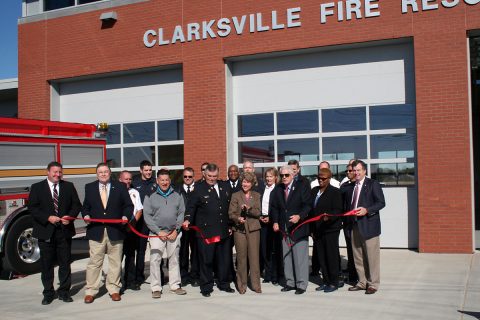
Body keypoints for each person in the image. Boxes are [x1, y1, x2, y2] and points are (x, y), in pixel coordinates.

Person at [28, 161, 82, 305]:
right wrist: (48, 218)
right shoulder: (37, 188)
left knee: (65, 263)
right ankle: (48, 293)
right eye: (55, 172)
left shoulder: (68, 187)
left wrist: (69, 217)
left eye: (60, 172)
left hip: (64, 232)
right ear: (48, 172)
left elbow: (76, 205)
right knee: (46, 265)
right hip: (45, 231)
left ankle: (64, 292)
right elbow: (32, 208)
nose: (58, 175)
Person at [82, 163, 133, 303]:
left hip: (115, 231)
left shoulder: (120, 186)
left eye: (106, 172)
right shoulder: (90, 187)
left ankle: (114, 289)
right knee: (94, 263)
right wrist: (85, 215)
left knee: (115, 262)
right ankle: (91, 290)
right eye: (100, 172)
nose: (103, 174)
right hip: (96, 231)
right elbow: (85, 206)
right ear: (96, 174)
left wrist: (126, 216)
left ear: (110, 173)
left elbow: (128, 205)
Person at [182, 163, 235, 297]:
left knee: (224, 260)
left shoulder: (225, 186)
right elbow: (191, 207)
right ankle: (206, 286)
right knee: (206, 260)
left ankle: (224, 284)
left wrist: (231, 225)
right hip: (206, 232)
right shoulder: (198, 189)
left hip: (223, 230)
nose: (212, 179)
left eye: (215, 176)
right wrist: (187, 219)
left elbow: (229, 207)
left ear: (218, 175)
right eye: (210, 176)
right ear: (205, 175)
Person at [143, 169, 187, 298]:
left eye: (166, 180)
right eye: (162, 180)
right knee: (155, 260)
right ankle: (156, 287)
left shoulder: (177, 194)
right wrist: (158, 231)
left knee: (174, 260)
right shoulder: (150, 195)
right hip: (157, 234)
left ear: (170, 181)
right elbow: (147, 216)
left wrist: (176, 230)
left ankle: (175, 285)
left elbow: (181, 213)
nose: (164, 182)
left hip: (173, 233)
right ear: (157, 181)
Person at [270, 165, 312, 295]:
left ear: (293, 175)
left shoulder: (302, 186)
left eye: (286, 175)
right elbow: (274, 207)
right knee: (287, 258)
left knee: (300, 259)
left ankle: (301, 284)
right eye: (282, 175)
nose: (284, 178)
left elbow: (307, 205)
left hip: (299, 228)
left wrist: (299, 216)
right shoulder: (278, 189)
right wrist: (276, 221)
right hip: (284, 229)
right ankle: (290, 282)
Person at [347, 160, 385, 295]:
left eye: (358, 170)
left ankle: (373, 283)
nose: (356, 173)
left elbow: (381, 203)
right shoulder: (352, 186)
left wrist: (367, 210)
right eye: (354, 170)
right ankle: (362, 282)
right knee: (358, 257)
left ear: (364, 171)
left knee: (371, 257)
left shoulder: (372, 184)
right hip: (355, 226)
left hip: (369, 226)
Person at [310, 168, 343, 292]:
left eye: (323, 178)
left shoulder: (335, 192)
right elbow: (311, 211)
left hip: (330, 230)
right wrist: (311, 230)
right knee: (322, 257)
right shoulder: (314, 191)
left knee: (331, 256)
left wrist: (328, 217)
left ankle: (334, 282)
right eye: (319, 178)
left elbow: (338, 210)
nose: (320, 180)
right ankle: (326, 281)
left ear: (329, 179)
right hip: (317, 230)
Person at [229, 172, 262, 294]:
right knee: (241, 259)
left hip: (254, 229)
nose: (245, 184)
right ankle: (241, 285)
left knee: (254, 258)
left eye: (247, 182)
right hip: (240, 230)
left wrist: (249, 209)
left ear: (252, 183)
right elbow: (231, 213)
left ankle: (256, 285)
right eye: (243, 181)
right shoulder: (235, 195)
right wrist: (238, 218)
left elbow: (258, 212)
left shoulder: (257, 195)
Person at [131, 160, 156, 289]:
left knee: (149, 250)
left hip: (151, 221)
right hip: (137, 222)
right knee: (136, 250)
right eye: (146, 170)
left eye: (150, 170)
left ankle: (154, 275)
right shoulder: (134, 182)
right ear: (141, 170)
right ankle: (135, 277)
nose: (148, 172)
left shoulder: (155, 182)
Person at [118, 170, 143, 294]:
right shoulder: (115, 192)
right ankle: (118, 283)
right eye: (125, 179)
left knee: (130, 256)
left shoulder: (135, 192)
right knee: (117, 258)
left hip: (131, 229)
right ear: (120, 180)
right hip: (118, 230)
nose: (128, 181)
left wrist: (132, 224)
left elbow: (139, 210)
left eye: (129, 179)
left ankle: (130, 281)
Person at [176, 167, 200, 287]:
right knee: (183, 251)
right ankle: (183, 276)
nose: (187, 179)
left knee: (195, 252)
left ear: (193, 177)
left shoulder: (199, 189)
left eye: (190, 177)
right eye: (185, 176)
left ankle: (195, 275)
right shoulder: (177, 190)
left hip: (195, 226)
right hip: (182, 226)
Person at [259, 167, 283, 285]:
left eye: (270, 176)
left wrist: (272, 218)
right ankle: (267, 274)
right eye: (267, 176)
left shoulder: (278, 190)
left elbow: (278, 208)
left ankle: (275, 275)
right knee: (265, 249)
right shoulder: (262, 189)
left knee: (274, 250)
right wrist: (260, 216)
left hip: (273, 222)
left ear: (275, 177)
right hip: (262, 222)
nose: (268, 178)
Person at [339, 163, 358, 285]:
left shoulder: (362, 186)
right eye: (347, 171)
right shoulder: (345, 186)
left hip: (360, 224)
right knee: (350, 251)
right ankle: (352, 276)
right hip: (347, 223)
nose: (348, 173)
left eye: (350, 170)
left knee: (359, 252)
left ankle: (361, 275)